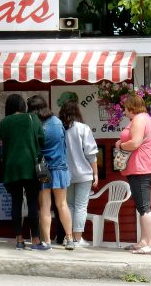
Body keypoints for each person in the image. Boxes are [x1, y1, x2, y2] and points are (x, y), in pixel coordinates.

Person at [28, 95, 75, 251]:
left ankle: (47, 241)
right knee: (62, 204)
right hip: (60, 167)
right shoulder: (57, 122)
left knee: (45, 206)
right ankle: (69, 238)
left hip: (43, 170)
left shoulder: (36, 125)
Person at [114, 93, 151, 255]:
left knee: (145, 207)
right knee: (142, 207)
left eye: (125, 108)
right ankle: (144, 241)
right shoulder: (145, 118)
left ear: (132, 107)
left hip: (141, 168)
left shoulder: (139, 119)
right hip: (142, 167)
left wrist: (120, 145)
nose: (124, 112)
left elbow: (135, 143)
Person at [0, 93, 44, 250]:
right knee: (32, 203)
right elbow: (42, 138)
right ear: (22, 105)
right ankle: (36, 240)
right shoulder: (32, 118)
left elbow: (4, 142)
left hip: (11, 168)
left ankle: (19, 239)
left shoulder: (4, 123)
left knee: (16, 203)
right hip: (30, 167)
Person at [60, 99, 99, 248]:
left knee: (68, 205)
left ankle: (68, 237)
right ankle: (77, 238)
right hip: (84, 173)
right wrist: (95, 173)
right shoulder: (83, 128)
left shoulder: (61, 129)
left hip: (66, 173)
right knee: (81, 206)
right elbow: (91, 153)